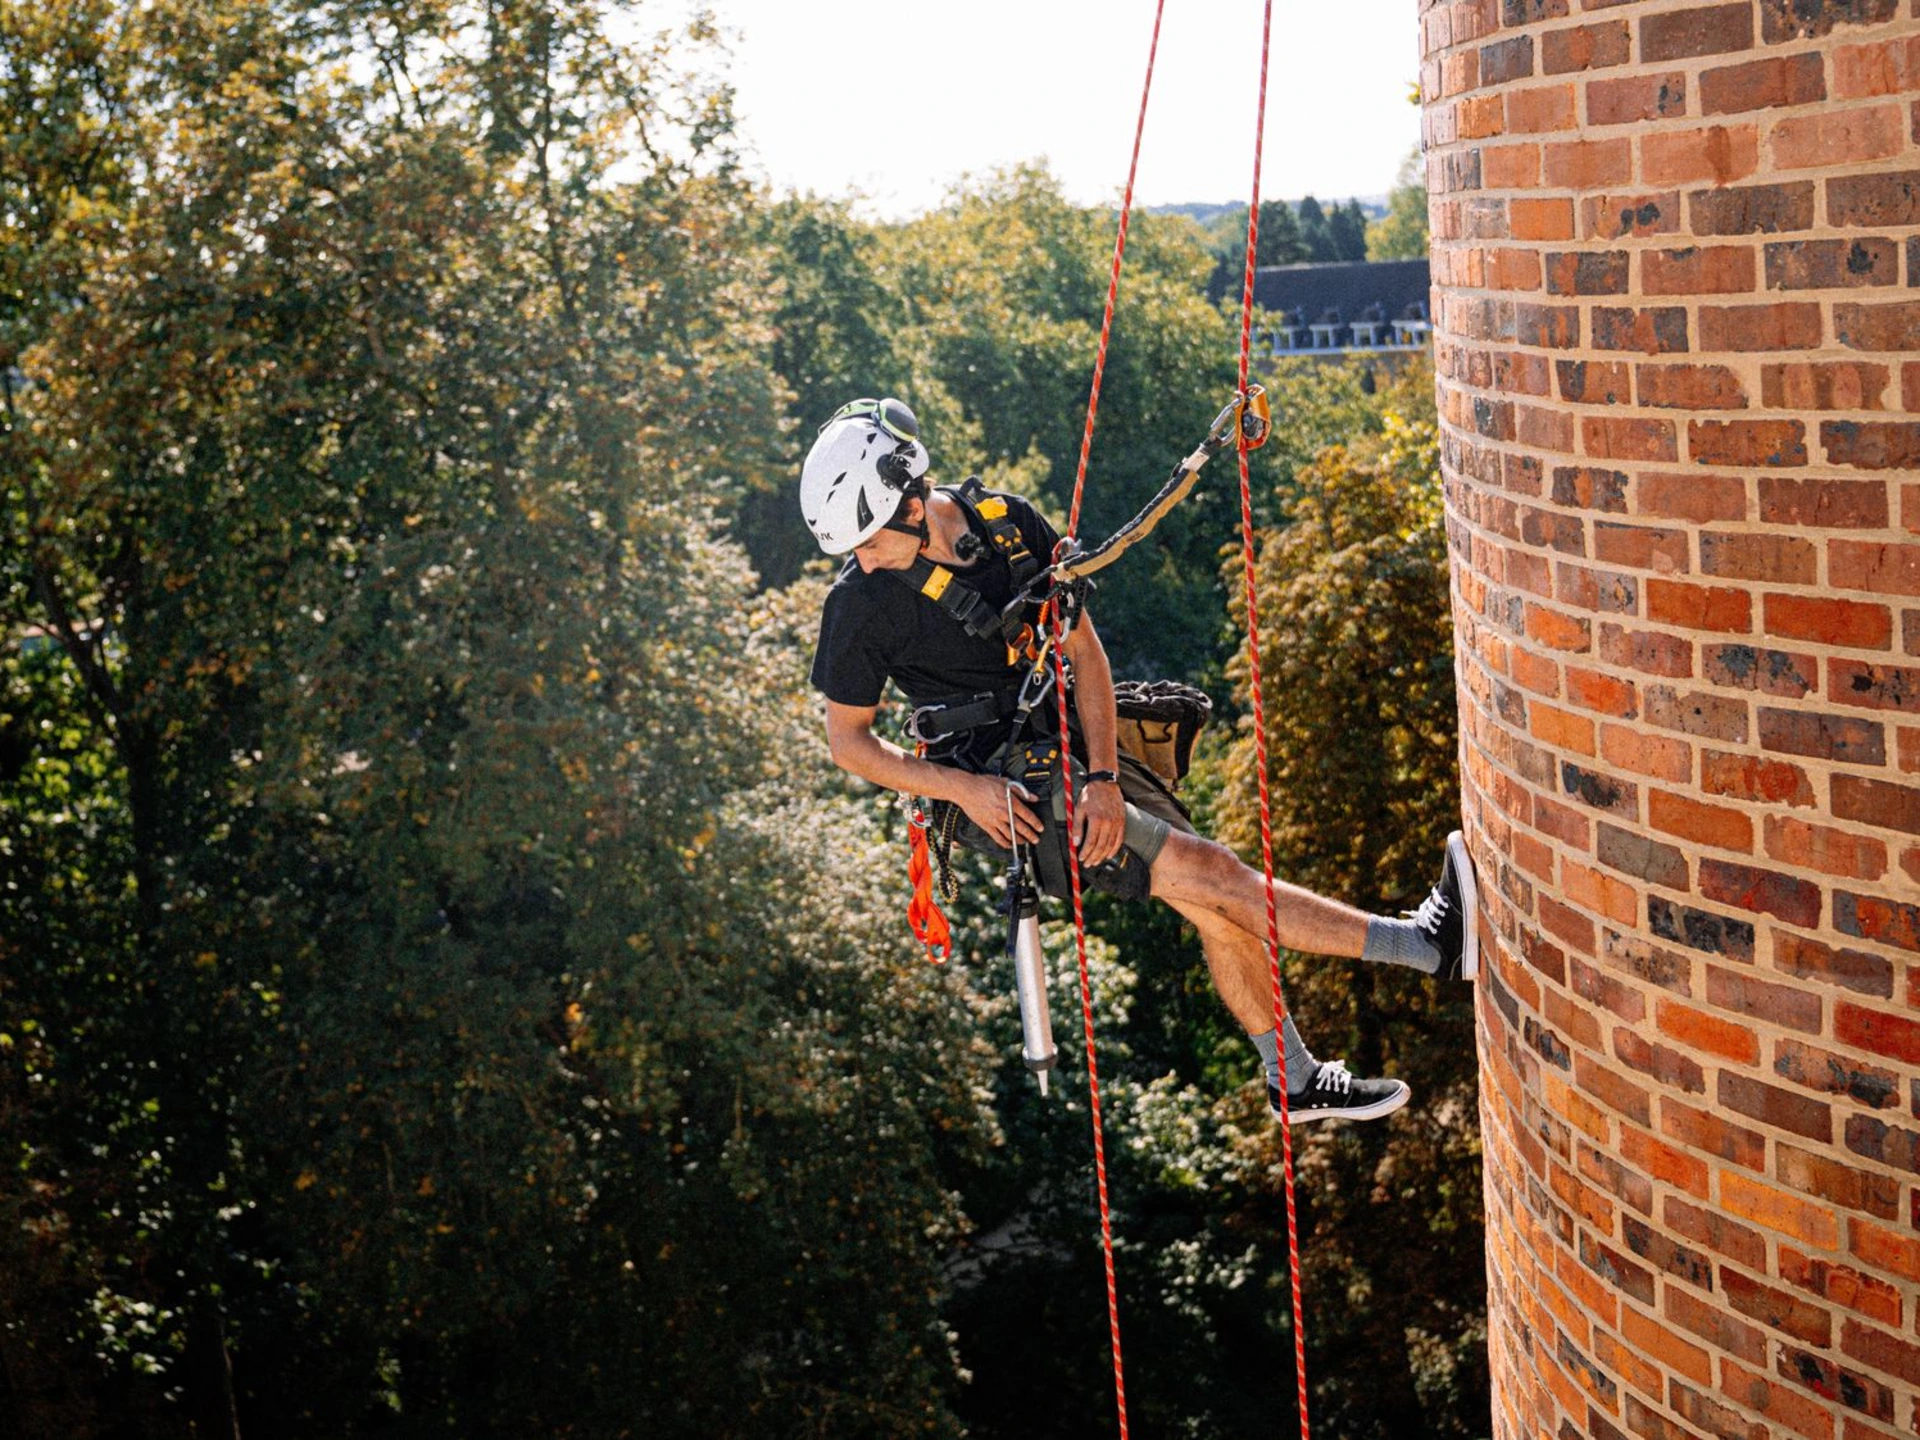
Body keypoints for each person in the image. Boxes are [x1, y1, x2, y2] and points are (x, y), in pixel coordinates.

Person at [802, 395, 1476, 1123]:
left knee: (1215, 902)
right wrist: (961, 789)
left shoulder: (1007, 523)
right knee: (1216, 874)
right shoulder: (859, 607)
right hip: (1009, 796)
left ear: (909, 503)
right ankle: (1427, 945)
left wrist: (1100, 775)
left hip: (1065, 751)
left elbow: (1084, 652)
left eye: (867, 539)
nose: (861, 559)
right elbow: (851, 744)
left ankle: (1295, 1080)